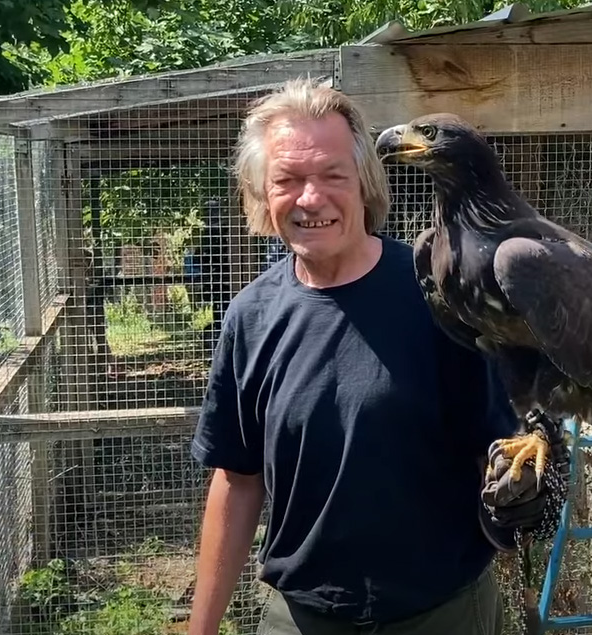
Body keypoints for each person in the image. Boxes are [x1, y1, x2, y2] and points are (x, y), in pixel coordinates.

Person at [187, 78, 565, 635]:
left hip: (443, 613)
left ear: (364, 182)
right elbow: (238, 479)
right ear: (262, 196)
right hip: (301, 617)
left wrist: (528, 486)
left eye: (331, 175)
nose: (310, 198)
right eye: (287, 180)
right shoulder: (251, 316)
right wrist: (201, 629)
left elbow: (502, 437)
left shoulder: (441, 291)